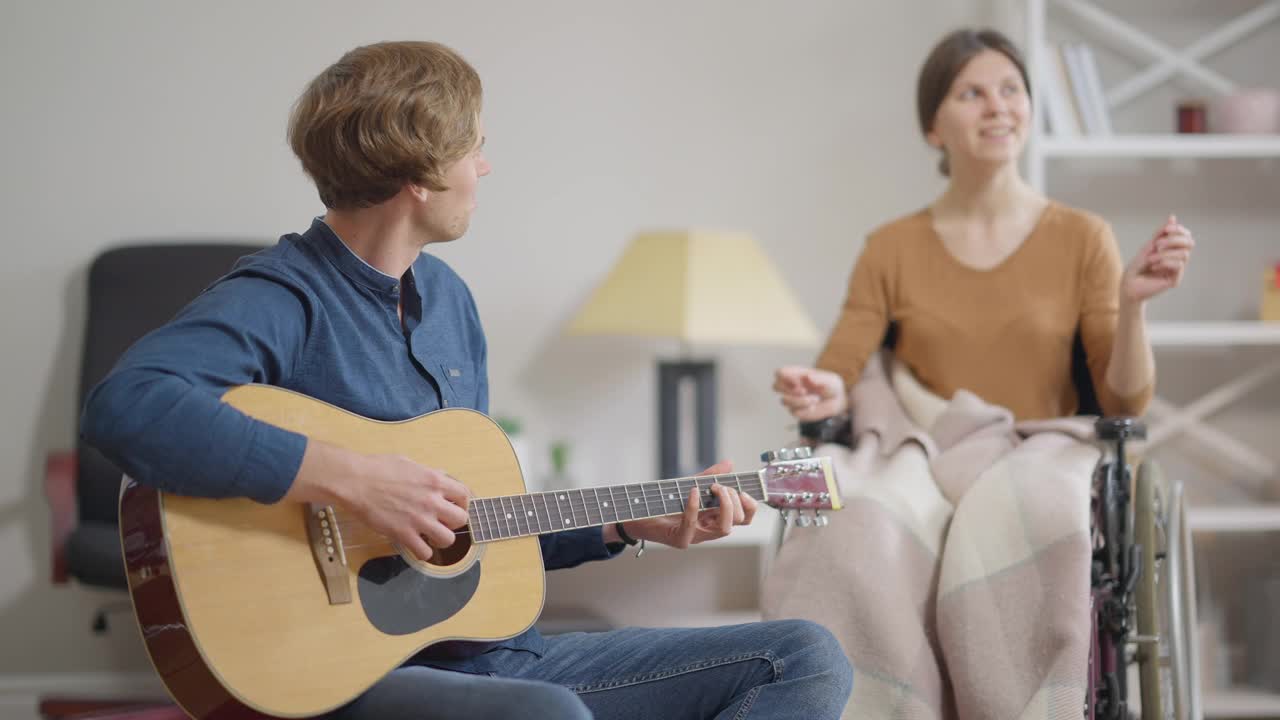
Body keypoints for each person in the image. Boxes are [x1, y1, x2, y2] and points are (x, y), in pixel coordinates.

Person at [82, 41, 851, 720]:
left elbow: (472, 528)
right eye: (473, 148)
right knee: (542, 716)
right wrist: (350, 479)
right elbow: (129, 404)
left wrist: (626, 525)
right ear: (420, 172)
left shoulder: (448, 300)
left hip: (495, 659)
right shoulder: (283, 296)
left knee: (805, 656)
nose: (484, 167)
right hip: (346, 675)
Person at [765, 28, 1194, 720]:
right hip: (924, 452)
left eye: (1011, 89)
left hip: (1037, 449)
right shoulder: (892, 247)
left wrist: (1132, 305)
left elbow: (1124, 399)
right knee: (855, 528)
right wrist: (823, 391)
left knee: (1031, 510)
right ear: (933, 127)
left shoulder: (1082, 237)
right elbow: (839, 370)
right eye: (972, 93)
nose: (998, 107)